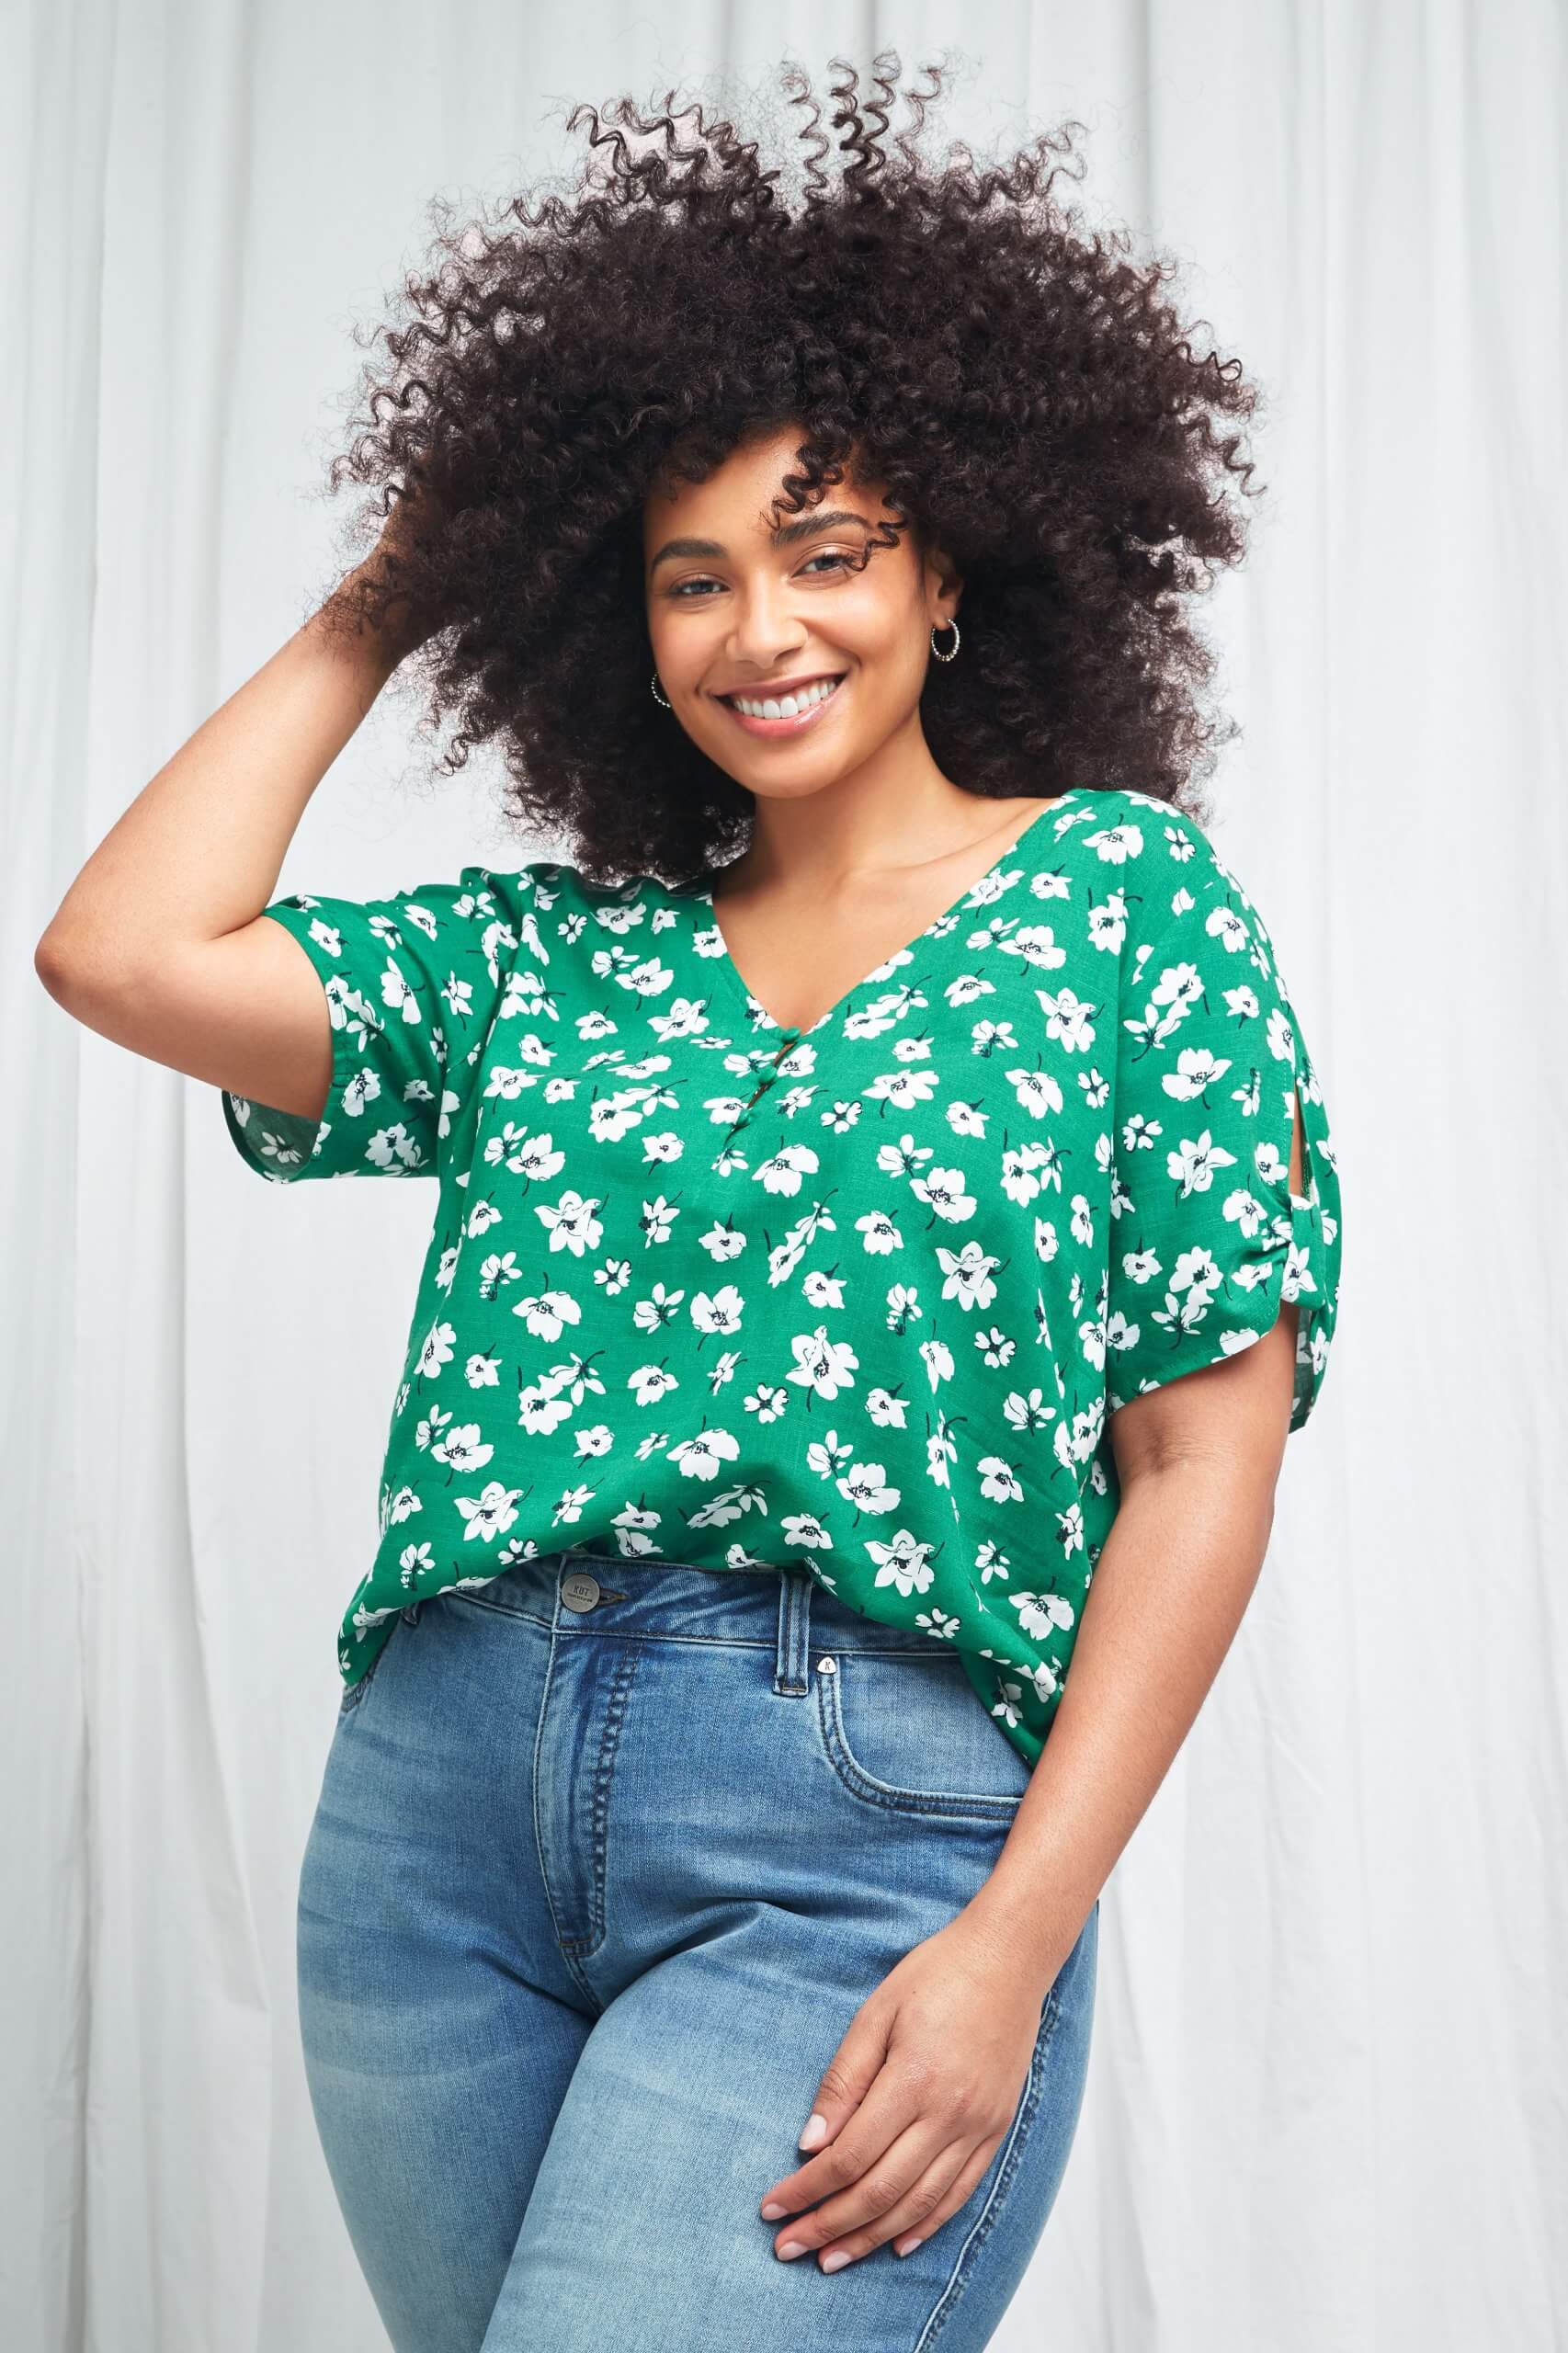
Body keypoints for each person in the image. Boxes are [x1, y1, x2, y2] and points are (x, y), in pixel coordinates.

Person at [33, 54, 1344, 2353]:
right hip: (430, 1824)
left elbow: (1198, 1465)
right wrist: (398, 584)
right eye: (690, 577)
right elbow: (121, 952)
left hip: (858, 1832)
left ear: (944, 565)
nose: (764, 629)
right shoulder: (559, 959)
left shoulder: (1122, 902)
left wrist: (1012, 1943)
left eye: (825, 554)